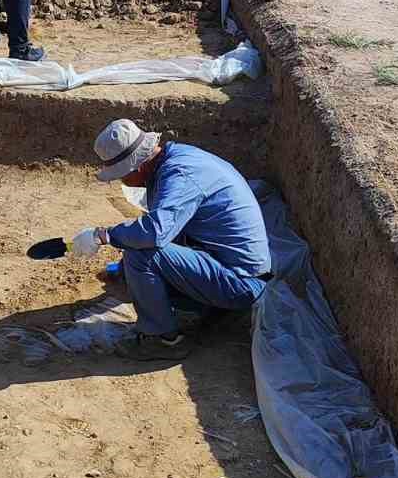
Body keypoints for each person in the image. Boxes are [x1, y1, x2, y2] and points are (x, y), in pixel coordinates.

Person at [90, 119, 272, 362]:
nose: (120, 181)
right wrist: (124, 270)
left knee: (140, 254)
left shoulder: (180, 175)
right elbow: (174, 227)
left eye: (120, 175)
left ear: (136, 166)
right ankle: (204, 307)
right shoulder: (175, 159)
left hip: (242, 284)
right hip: (233, 269)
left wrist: (104, 235)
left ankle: (162, 341)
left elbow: (155, 233)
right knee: (137, 257)